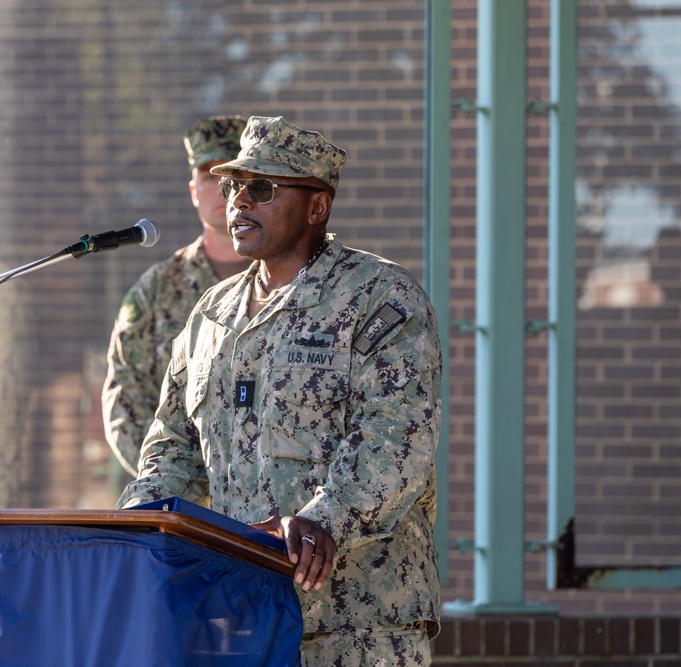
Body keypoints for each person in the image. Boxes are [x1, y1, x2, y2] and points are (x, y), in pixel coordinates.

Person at [117, 116, 442, 666]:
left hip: (357, 625)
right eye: (230, 186)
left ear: (317, 207)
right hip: (240, 617)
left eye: (261, 189)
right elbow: (173, 447)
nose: (238, 202)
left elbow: (397, 438)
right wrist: (132, 528)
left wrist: (324, 521)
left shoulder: (379, 298)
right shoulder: (211, 315)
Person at [102, 116, 250, 476]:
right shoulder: (157, 289)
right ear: (194, 192)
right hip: (184, 502)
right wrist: (169, 480)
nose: (222, 189)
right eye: (209, 177)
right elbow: (125, 397)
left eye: (233, 177)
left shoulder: (290, 278)